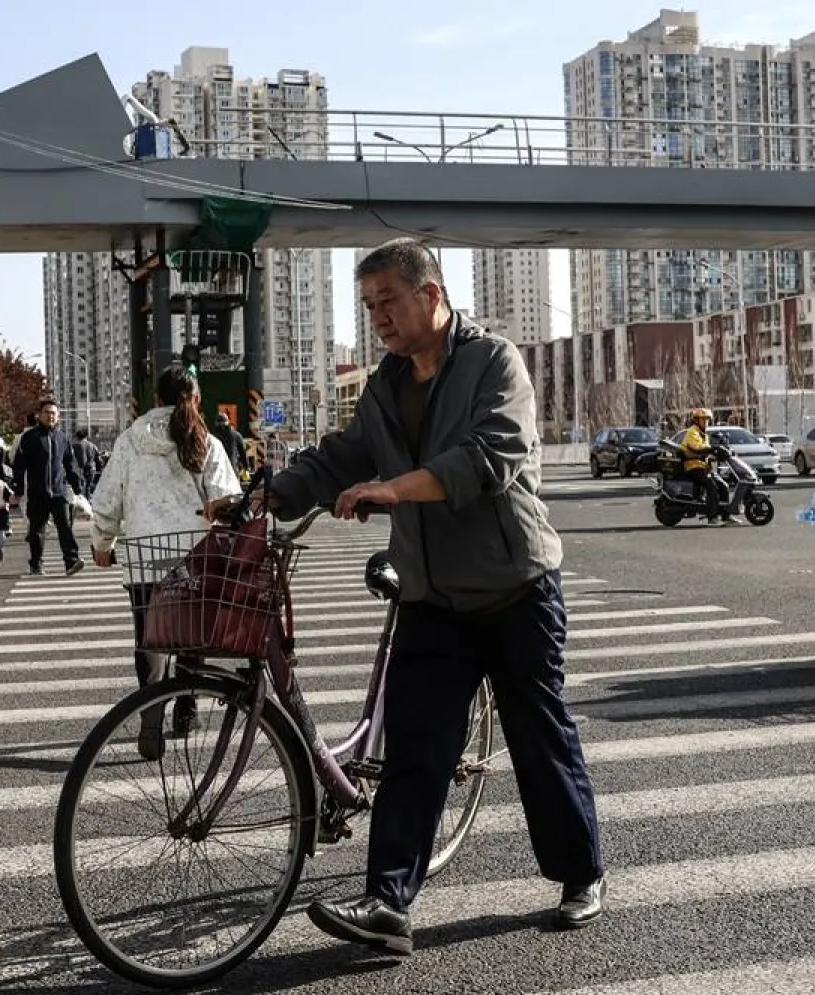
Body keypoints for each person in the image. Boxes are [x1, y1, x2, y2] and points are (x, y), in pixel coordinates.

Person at [264, 237, 605, 956]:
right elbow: (346, 455)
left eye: (388, 300)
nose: (378, 317)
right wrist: (267, 493)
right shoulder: (386, 384)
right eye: (368, 306)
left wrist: (396, 488)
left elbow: (487, 458)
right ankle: (387, 902)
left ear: (430, 293)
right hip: (432, 598)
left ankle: (581, 873)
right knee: (416, 750)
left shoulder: (494, 363)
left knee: (540, 741)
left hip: (514, 589)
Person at [89, 368, 241, 760]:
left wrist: (102, 544)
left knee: (149, 639)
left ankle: (150, 710)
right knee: (191, 639)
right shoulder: (207, 442)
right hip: (194, 561)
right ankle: (186, 711)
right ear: (195, 399)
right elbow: (228, 501)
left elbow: (107, 500)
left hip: (143, 560)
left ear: (156, 399)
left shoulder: (129, 442)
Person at [11, 397, 85, 576]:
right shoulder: (30, 438)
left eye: (53, 413)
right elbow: (19, 464)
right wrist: (19, 487)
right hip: (37, 493)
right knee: (37, 531)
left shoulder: (62, 438)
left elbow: (70, 463)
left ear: (58, 416)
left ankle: (71, 561)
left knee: (65, 527)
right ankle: (36, 563)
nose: (50, 416)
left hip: (58, 492)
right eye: (47, 413)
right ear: (39, 415)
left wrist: (77, 487)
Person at [677, 407, 733, 525]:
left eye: (708, 420)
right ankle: (712, 518)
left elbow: (706, 453)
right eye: (704, 420)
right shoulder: (693, 432)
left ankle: (725, 516)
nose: (706, 422)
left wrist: (717, 456)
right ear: (697, 421)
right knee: (711, 486)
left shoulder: (704, 435)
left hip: (703, 467)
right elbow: (697, 448)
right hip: (693, 467)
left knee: (723, 486)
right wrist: (714, 449)